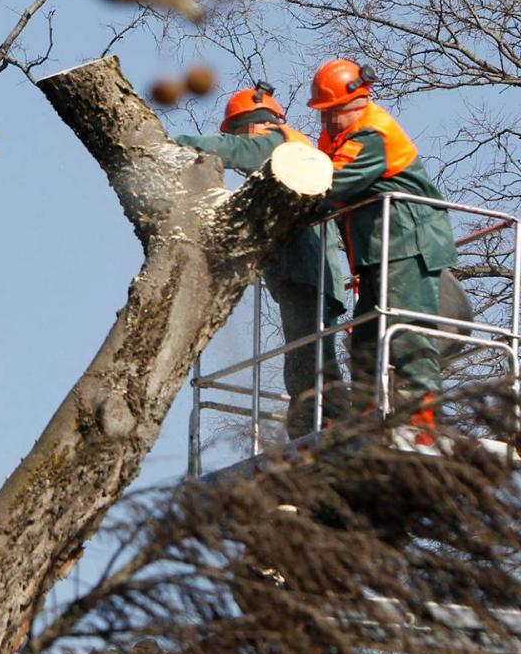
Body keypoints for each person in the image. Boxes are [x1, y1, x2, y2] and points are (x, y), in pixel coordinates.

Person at [175, 83, 349, 439]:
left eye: (240, 131)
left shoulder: (282, 146)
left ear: (253, 125)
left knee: (307, 359)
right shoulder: (285, 156)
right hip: (304, 273)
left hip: (307, 273)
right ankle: (326, 424)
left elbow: (235, 150)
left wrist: (175, 144)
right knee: (311, 356)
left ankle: (319, 429)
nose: (241, 139)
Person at [307, 59, 457, 441]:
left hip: (407, 243)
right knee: (367, 335)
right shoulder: (342, 136)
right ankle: (369, 410)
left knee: (408, 331)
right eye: (323, 114)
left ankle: (418, 415)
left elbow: (333, 184)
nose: (326, 122)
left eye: (331, 113)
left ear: (354, 103)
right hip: (378, 251)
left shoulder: (371, 135)